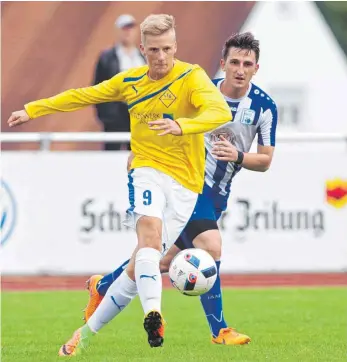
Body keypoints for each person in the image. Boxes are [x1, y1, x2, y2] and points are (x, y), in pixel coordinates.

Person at [7, 14, 232, 354]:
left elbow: (220, 113)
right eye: (154, 50)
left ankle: (83, 335)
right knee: (149, 238)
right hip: (145, 169)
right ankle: (154, 313)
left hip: (186, 183)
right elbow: (85, 95)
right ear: (142, 49)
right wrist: (33, 109)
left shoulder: (191, 76)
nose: (161, 57)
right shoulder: (130, 81)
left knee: (140, 262)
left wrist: (183, 126)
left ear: (176, 47)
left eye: (167, 49)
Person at [80, 31, 277, 346]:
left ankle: (102, 287)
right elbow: (161, 126)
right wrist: (141, 154)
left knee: (158, 258)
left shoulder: (265, 107)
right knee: (210, 247)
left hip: (217, 197)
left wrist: (238, 156)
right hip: (185, 184)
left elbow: (265, 161)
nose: (240, 69)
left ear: (256, 68)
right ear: (223, 63)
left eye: (247, 63)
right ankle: (220, 331)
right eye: (235, 62)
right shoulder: (198, 91)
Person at [94, 14, 145, 151]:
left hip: (138, 117)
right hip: (114, 116)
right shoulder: (107, 58)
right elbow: (97, 87)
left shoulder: (143, 58)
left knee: (137, 155)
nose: (128, 32)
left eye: (131, 28)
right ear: (118, 32)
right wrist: (105, 114)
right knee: (112, 153)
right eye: (124, 29)